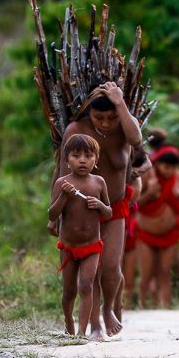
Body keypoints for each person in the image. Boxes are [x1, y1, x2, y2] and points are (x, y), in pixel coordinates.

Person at [49, 82, 143, 340]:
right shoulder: (76, 130)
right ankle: (95, 326)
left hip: (115, 207)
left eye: (111, 117)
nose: (105, 123)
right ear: (88, 112)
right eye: (99, 117)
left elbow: (137, 140)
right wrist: (56, 214)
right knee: (91, 271)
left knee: (111, 266)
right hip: (83, 210)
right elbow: (61, 173)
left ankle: (109, 308)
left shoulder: (125, 128)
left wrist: (120, 103)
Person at [49, 134, 112, 336]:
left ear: (96, 159)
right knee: (69, 291)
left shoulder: (99, 182)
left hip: (92, 247)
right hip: (68, 247)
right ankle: (69, 323)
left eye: (88, 155)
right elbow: (52, 214)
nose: (83, 160)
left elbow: (109, 212)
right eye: (76, 156)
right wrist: (64, 196)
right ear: (66, 160)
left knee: (86, 286)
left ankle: (81, 333)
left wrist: (100, 205)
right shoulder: (62, 183)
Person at [136, 145, 179, 308]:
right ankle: (141, 306)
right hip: (146, 234)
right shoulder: (148, 177)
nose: (170, 171)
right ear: (157, 165)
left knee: (165, 273)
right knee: (146, 274)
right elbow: (134, 205)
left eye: (173, 167)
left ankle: (164, 308)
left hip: (169, 233)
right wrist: (150, 192)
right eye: (166, 167)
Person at [121, 145, 148, 312]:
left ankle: (128, 306)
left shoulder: (136, 176)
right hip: (110, 233)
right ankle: (107, 305)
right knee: (107, 272)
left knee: (129, 277)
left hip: (128, 235)